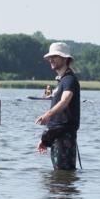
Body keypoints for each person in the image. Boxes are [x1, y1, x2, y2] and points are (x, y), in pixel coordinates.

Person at [36, 42, 82, 170]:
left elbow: (65, 100)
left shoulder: (69, 80)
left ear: (65, 58)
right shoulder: (61, 81)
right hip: (56, 135)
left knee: (63, 176)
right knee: (58, 178)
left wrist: (47, 114)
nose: (51, 59)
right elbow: (59, 116)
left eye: (55, 56)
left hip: (65, 136)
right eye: (50, 57)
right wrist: (45, 139)